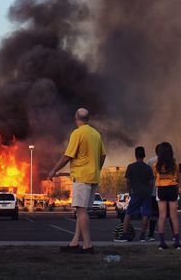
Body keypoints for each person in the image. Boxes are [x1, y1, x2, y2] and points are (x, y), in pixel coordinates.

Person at [48, 108, 106, 254]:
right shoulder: (96, 134)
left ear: (76, 118)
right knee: (82, 210)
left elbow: (68, 156)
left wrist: (54, 170)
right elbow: (103, 155)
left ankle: (87, 244)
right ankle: (75, 242)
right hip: (93, 176)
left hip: (82, 176)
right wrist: (97, 168)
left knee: (81, 211)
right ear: (88, 118)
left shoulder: (77, 133)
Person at [114, 146, 154, 242]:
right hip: (146, 194)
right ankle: (143, 236)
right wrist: (149, 191)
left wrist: (129, 192)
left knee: (128, 213)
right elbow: (151, 182)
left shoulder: (131, 167)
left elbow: (127, 181)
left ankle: (124, 235)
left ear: (135, 155)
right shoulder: (148, 168)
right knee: (145, 214)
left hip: (135, 193)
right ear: (144, 155)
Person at [153, 142, 181, 250]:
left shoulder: (156, 165)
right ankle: (177, 243)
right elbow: (178, 178)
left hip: (161, 189)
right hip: (172, 188)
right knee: (174, 216)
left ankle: (161, 243)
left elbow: (155, 175)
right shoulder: (175, 164)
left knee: (162, 216)